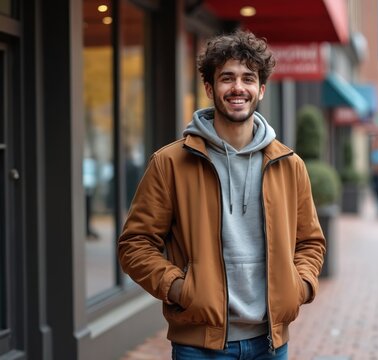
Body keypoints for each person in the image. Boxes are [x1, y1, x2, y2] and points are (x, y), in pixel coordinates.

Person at [117, 30, 325, 359]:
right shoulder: (171, 162)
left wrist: (299, 286)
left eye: (248, 78)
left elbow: (310, 242)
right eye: (227, 78)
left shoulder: (289, 165)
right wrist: (180, 288)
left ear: (261, 89)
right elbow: (135, 245)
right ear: (210, 88)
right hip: (199, 345)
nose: (238, 87)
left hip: (271, 342)